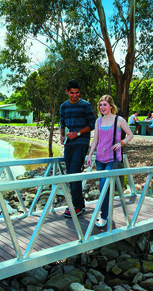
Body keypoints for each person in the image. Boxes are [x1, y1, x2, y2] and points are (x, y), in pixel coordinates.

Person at [86, 95, 134, 228]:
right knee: (104, 188)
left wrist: (121, 143)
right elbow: (95, 140)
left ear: (111, 106)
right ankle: (104, 214)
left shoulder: (119, 120)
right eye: (100, 105)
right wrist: (90, 155)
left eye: (105, 105)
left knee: (103, 187)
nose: (102, 107)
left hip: (113, 160)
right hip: (100, 159)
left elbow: (130, 135)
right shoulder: (98, 121)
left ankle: (103, 216)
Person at [60, 80, 96, 218]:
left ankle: (76, 206)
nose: (74, 95)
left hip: (81, 143)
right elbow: (62, 123)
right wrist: (62, 136)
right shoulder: (63, 106)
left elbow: (92, 124)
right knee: (70, 175)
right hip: (69, 144)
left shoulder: (85, 105)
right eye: (72, 93)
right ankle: (79, 204)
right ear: (67, 92)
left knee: (75, 173)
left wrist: (78, 133)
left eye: (77, 93)